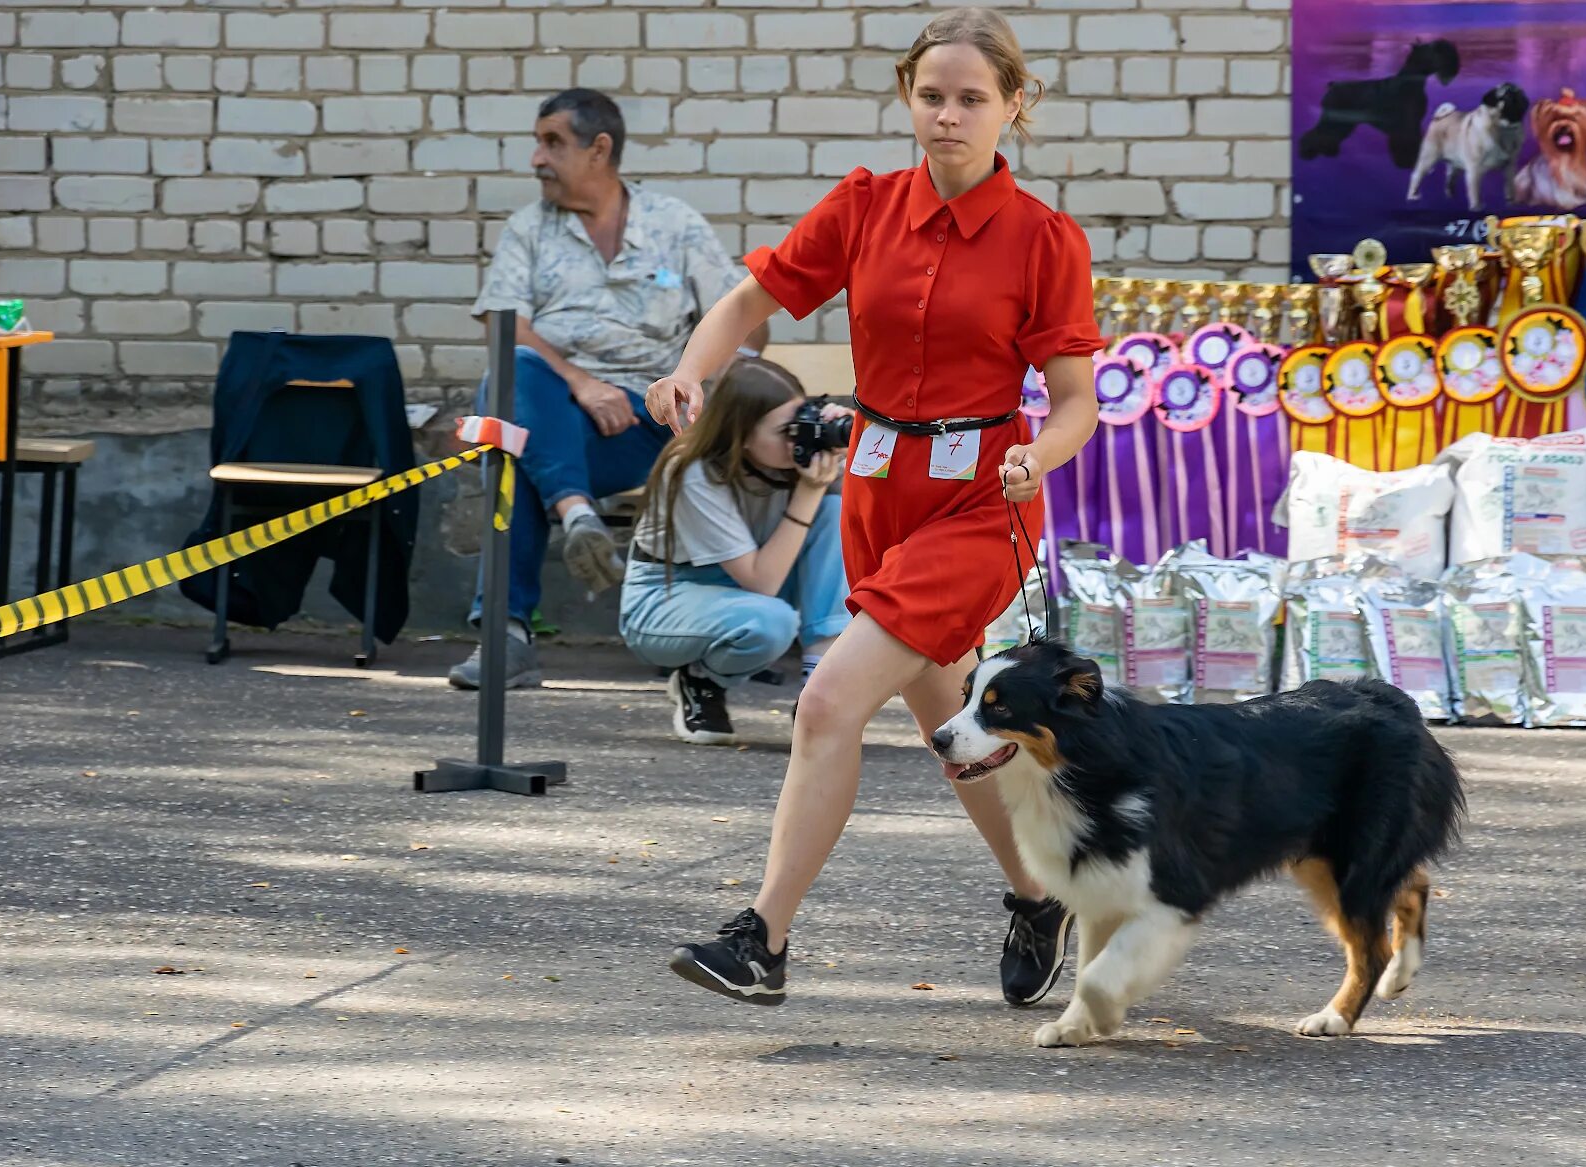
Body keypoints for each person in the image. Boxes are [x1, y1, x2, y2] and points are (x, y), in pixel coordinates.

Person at [646, 8, 1105, 1009]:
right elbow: (748, 301)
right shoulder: (862, 207)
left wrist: (1040, 454)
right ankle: (1040, 895)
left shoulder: (1043, 239)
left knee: (825, 700)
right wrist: (690, 367)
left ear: (1012, 107)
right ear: (908, 97)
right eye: (931, 96)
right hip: (875, 495)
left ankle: (761, 937)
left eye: (971, 99)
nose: (947, 116)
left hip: (979, 506)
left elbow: (1077, 401)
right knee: (956, 733)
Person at [451, 88, 767, 690]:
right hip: (555, 408)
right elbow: (502, 320)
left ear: (600, 149)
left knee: (513, 457)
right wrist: (584, 383)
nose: (536, 159)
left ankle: (507, 635)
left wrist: (696, 388)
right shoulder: (530, 229)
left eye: (552, 143)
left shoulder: (674, 223)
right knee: (513, 377)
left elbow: (750, 324)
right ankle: (573, 516)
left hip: (650, 422)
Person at [621, 358, 849, 745]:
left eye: (802, 420)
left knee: (835, 511)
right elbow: (762, 583)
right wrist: (809, 491)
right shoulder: (693, 469)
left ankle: (819, 688)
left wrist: (848, 442)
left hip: (751, 579)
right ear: (741, 434)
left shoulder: (789, 454)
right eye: (785, 431)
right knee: (769, 623)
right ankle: (701, 679)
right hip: (667, 596)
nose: (798, 438)